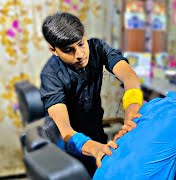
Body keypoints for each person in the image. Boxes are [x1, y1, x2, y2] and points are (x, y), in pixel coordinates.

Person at [40, 12, 142, 176]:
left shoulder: (97, 48)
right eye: (69, 50)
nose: (80, 55)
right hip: (68, 145)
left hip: (95, 130)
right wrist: (96, 148)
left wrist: (131, 108)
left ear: (84, 36)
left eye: (81, 44)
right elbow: (65, 131)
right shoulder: (51, 75)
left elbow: (128, 76)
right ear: (54, 50)